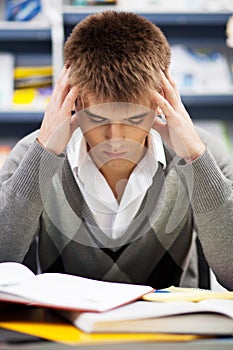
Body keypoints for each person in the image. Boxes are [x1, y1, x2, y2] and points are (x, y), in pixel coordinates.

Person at [0, 11, 232, 290]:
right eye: (97, 119)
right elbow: (3, 260)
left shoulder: (203, 154)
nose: (116, 139)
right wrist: (45, 153)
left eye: (135, 120)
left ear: (160, 103)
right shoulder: (33, 153)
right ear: (75, 102)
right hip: (62, 331)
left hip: (172, 331)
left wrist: (196, 159)